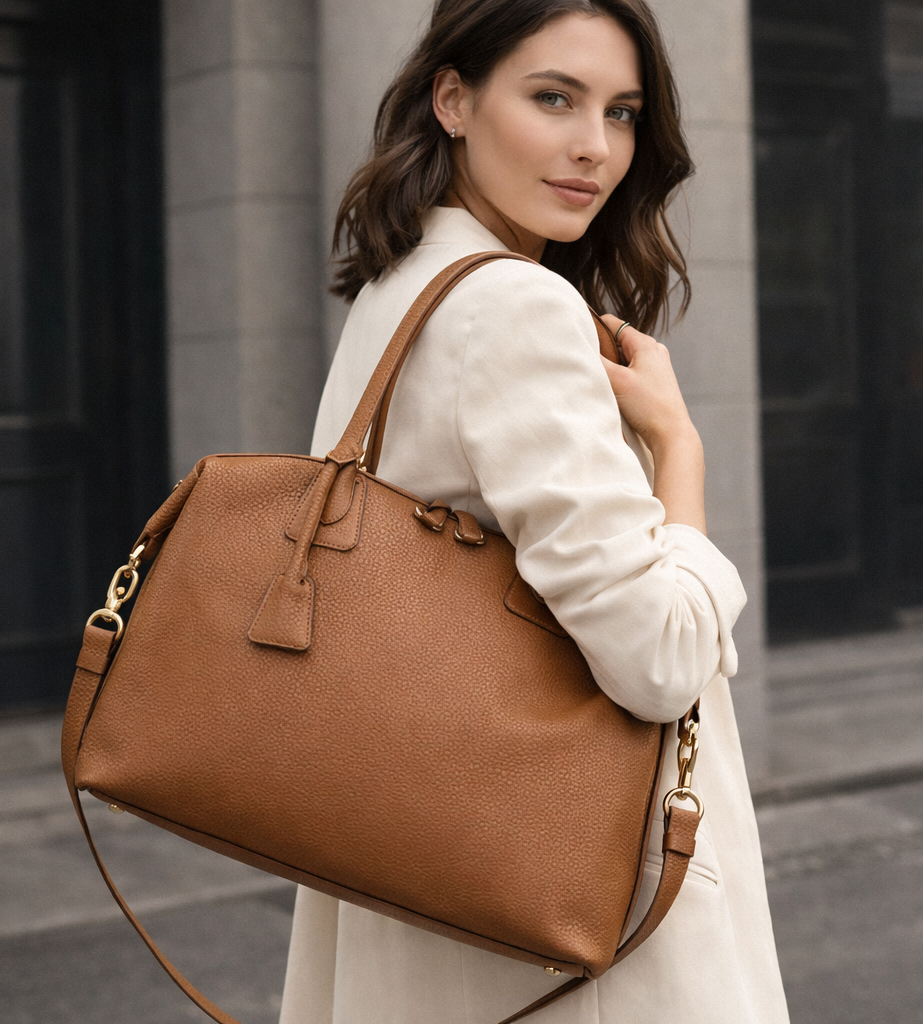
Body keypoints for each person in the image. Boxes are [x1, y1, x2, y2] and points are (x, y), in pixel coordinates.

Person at [279, 1, 790, 1021]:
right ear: (454, 98)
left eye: (622, 112)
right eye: (552, 97)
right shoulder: (515, 305)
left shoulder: (401, 285)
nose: (593, 147)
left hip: (427, 856)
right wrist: (678, 450)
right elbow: (657, 657)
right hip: (565, 918)